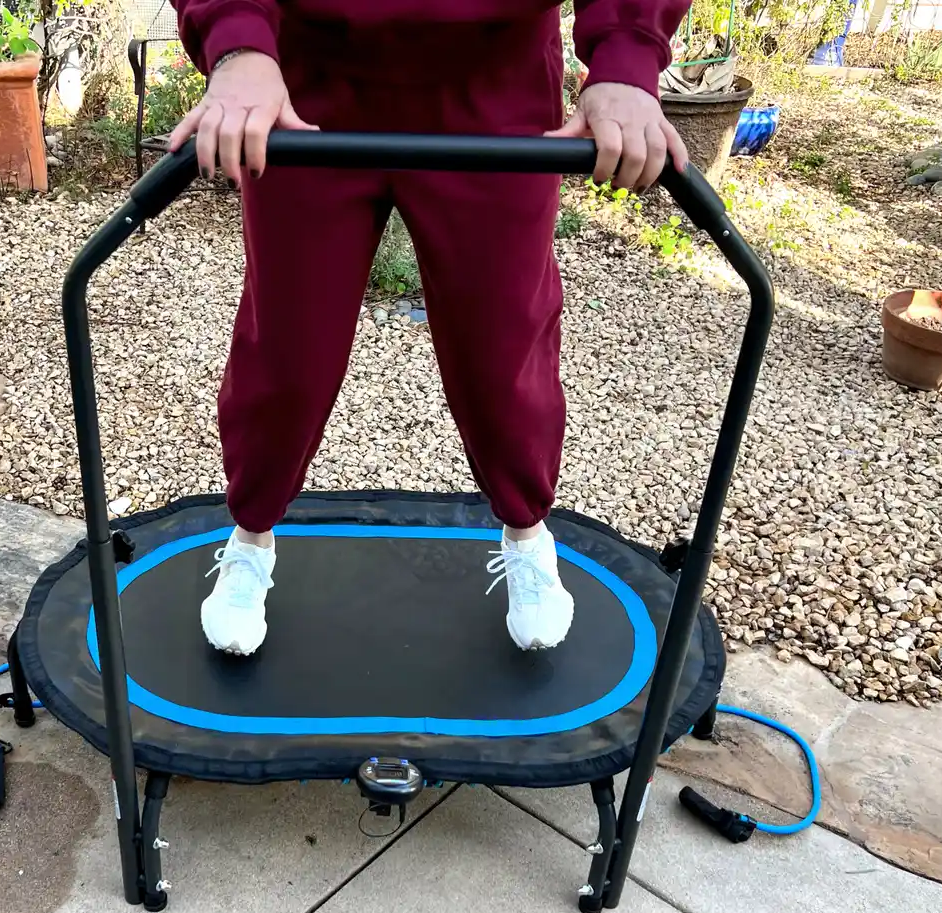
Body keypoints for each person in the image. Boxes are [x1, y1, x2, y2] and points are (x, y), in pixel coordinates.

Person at [169, 0, 691, 656]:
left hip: (494, 79)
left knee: (502, 347)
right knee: (290, 349)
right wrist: (238, 39)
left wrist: (626, 54)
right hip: (308, 79)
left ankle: (528, 533)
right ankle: (250, 539)